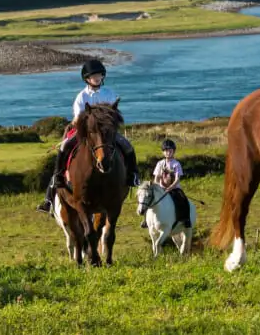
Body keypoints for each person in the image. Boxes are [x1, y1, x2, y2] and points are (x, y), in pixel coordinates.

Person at [36, 59, 139, 213]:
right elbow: (78, 118)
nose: (97, 78)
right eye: (94, 76)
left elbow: (113, 114)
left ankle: (132, 175)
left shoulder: (109, 93)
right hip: (86, 131)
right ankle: (55, 182)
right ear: (87, 78)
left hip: (105, 132)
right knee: (64, 147)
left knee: (128, 146)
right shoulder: (81, 97)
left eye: (99, 75)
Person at [149, 138, 190, 229]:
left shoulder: (176, 164)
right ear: (163, 152)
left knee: (183, 199)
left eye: (170, 151)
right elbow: (157, 177)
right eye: (166, 151)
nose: (168, 153)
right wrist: (156, 186)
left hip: (174, 188)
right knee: (149, 199)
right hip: (161, 188)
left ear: (173, 151)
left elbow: (177, 179)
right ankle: (146, 220)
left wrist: (170, 188)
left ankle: (186, 219)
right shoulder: (160, 163)